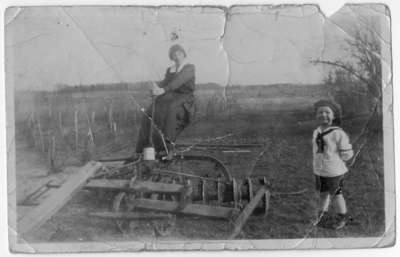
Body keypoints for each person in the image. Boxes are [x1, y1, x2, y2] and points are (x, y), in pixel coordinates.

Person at [135, 44, 195, 159]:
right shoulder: (170, 70)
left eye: (179, 53)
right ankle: (143, 148)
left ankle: (168, 148)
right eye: (174, 54)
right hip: (171, 96)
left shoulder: (189, 68)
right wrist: (155, 85)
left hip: (185, 98)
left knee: (170, 111)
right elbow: (165, 82)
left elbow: (178, 82)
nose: (177, 56)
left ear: (183, 54)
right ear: (171, 57)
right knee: (149, 112)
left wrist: (163, 90)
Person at [312, 99, 354, 229]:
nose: (323, 115)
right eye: (320, 112)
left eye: (327, 112)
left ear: (334, 115)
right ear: (316, 115)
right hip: (320, 170)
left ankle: (342, 217)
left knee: (336, 195)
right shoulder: (317, 132)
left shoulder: (338, 133)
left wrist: (340, 159)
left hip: (334, 171)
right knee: (323, 194)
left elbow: (347, 153)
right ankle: (321, 216)